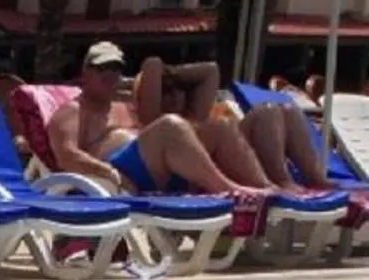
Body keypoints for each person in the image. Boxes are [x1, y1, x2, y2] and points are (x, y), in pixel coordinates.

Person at [50, 41, 317, 197]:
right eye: (102, 68)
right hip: (124, 173)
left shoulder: (125, 105)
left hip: (162, 168)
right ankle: (229, 190)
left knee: (220, 126)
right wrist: (107, 171)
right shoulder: (73, 111)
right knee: (170, 125)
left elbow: (210, 72)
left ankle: (269, 190)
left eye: (116, 69)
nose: (110, 75)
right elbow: (66, 155)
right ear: (85, 72)